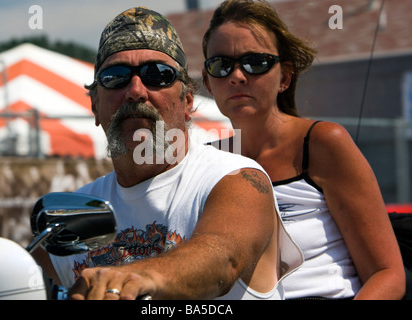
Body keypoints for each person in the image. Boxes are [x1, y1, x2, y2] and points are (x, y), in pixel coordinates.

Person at [42, 7, 303, 300]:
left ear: (187, 102)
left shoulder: (235, 179)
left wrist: (135, 277)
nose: (136, 91)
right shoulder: (74, 213)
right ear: (94, 107)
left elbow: (222, 260)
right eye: (116, 77)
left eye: (158, 75)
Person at [202, 0, 405, 299]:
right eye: (220, 65)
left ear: (284, 77)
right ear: (207, 82)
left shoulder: (322, 143)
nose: (237, 76)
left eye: (254, 62)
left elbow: (387, 274)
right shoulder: (204, 164)